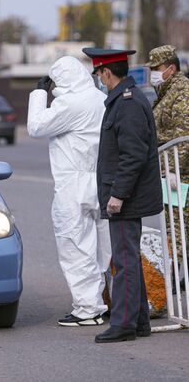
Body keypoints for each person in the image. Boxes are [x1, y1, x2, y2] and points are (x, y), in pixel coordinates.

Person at [83, 48, 163, 343]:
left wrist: (117, 195)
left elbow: (133, 155)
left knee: (124, 260)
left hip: (127, 198)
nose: (100, 80)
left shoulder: (127, 104)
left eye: (100, 74)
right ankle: (139, 321)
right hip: (129, 195)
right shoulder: (124, 99)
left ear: (106, 72)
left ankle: (124, 324)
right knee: (127, 257)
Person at [27, 56, 112, 327]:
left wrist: (40, 93)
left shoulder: (70, 103)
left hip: (73, 185)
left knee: (75, 246)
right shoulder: (100, 98)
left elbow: (36, 126)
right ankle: (101, 301)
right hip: (98, 180)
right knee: (101, 249)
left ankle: (87, 310)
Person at [146, 45, 189, 266]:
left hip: (179, 174)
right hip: (169, 169)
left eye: (157, 67)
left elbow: (183, 136)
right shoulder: (167, 92)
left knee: (178, 223)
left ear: (171, 69)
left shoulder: (181, 92)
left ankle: (176, 273)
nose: (153, 72)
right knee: (174, 222)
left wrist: (174, 171)